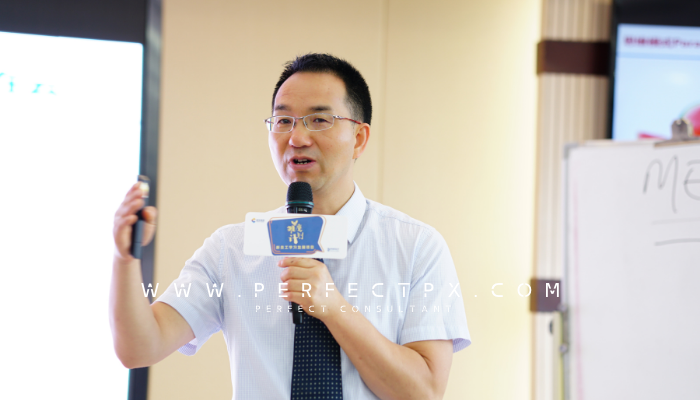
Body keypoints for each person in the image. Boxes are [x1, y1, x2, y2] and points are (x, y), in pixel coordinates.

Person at [110, 53, 470, 400]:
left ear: (359, 138)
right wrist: (124, 260)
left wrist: (333, 308)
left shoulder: (416, 246)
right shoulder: (231, 249)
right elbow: (139, 348)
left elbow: (424, 391)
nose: (296, 138)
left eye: (319, 120)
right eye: (283, 121)